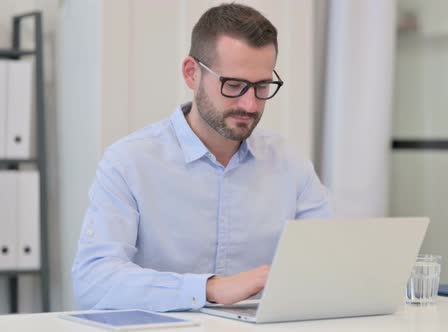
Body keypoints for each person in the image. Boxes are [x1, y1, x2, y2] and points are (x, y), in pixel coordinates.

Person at [72, 3, 331, 312]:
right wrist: (209, 288)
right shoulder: (129, 162)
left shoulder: (291, 165)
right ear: (191, 73)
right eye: (233, 85)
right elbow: (92, 281)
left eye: (262, 86)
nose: (250, 105)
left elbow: (328, 266)